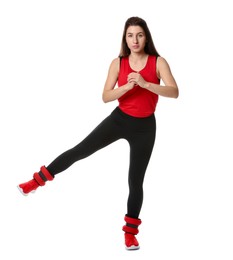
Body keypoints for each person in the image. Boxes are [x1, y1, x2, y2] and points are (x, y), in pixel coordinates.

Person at [17, 16, 179, 250]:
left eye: (140, 35)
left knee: (135, 181)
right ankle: (36, 181)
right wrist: (126, 87)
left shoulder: (158, 62)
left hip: (145, 127)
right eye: (130, 35)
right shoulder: (118, 63)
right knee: (79, 151)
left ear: (146, 37)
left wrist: (145, 84)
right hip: (119, 119)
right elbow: (105, 96)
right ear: (125, 38)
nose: (135, 40)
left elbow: (174, 92)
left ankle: (130, 234)